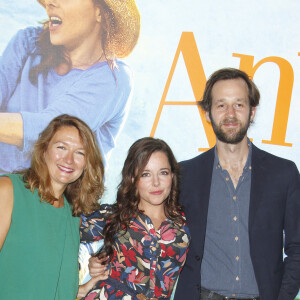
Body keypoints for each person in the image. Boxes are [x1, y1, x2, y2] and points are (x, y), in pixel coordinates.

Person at [173, 68, 300, 299]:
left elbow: (298, 247)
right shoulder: (184, 175)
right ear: (208, 113)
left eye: (239, 105)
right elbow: (154, 231)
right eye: (221, 105)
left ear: (252, 112)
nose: (230, 114)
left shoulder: (284, 174)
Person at [0, 0, 140, 174]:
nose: (50, 2)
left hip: (52, 198)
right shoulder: (27, 42)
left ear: (100, 12)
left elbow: (51, 131)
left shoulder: (114, 78)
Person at [0, 114, 107, 300]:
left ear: (87, 165)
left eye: (80, 153)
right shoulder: (8, 190)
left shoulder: (72, 215)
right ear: (43, 150)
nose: (69, 159)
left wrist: (76, 290)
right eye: (61, 147)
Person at [78, 137, 191, 300]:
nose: (156, 182)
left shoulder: (185, 223)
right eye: (146, 174)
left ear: (172, 176)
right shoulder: (114, 215)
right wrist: (72, 287)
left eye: (163, 173)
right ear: (132, 178)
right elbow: (60, 231)